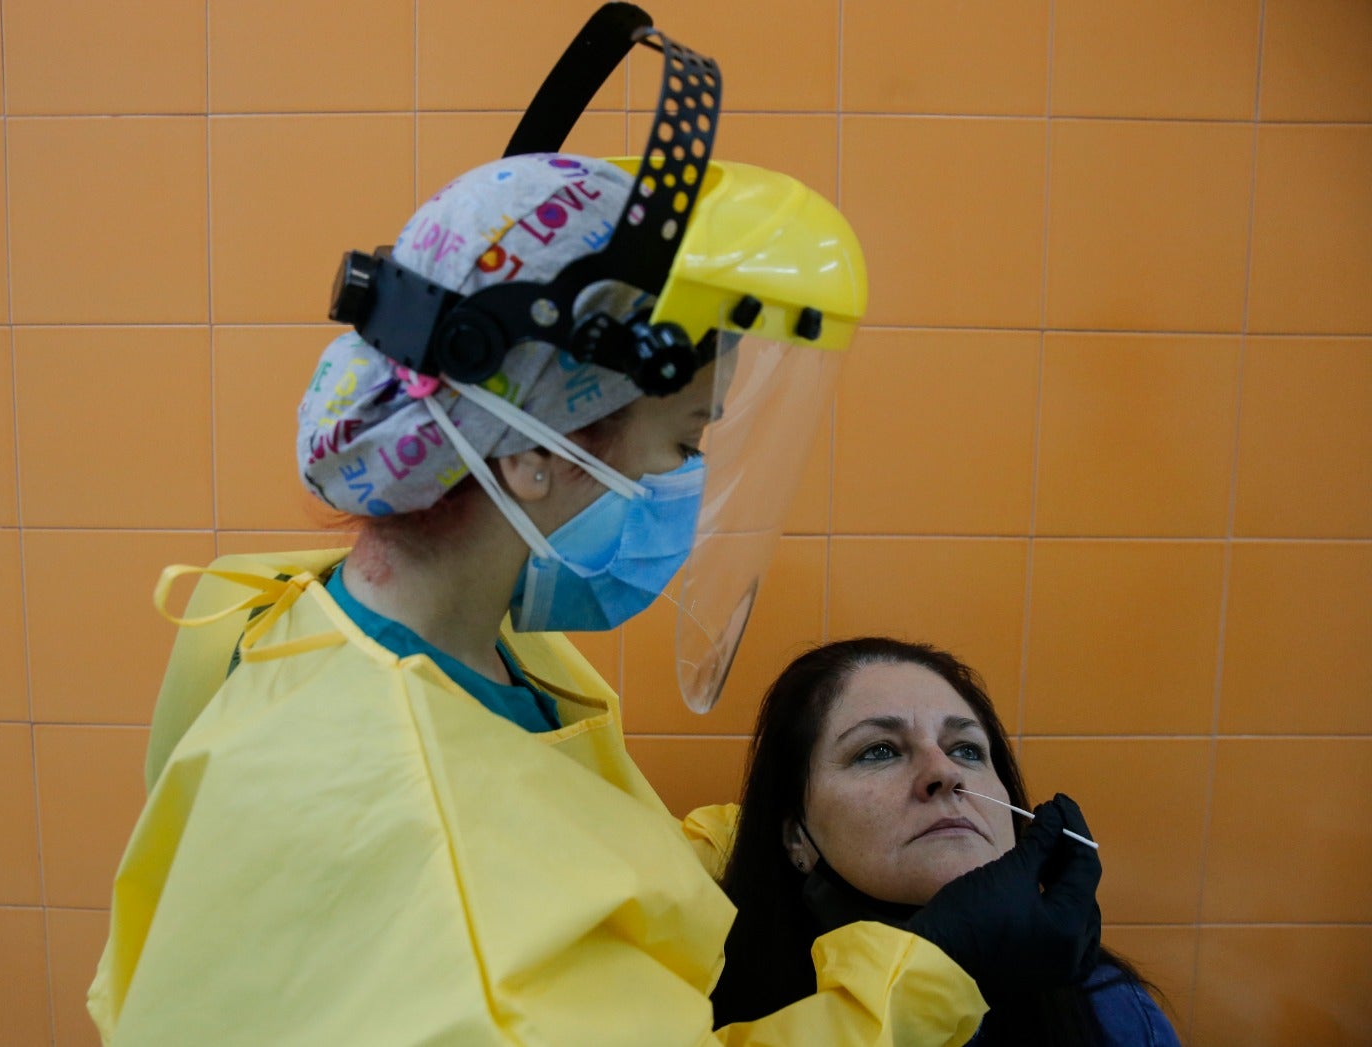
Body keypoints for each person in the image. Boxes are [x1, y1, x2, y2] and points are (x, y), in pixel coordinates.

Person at [87, 7, 1104, 1044]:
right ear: (529, 453)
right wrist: (929, 974)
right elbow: (495, 909)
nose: (691, 488)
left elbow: (555, 845)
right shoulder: (422, 856)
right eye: (681, 447)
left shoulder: (382, 633)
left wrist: (763, 838)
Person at [706, 637, 1180, 1046]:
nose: (945, 772)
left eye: (966, 750)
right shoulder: (708, 1011)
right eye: (879, 751)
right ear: (796, 837)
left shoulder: (1111, 1010)